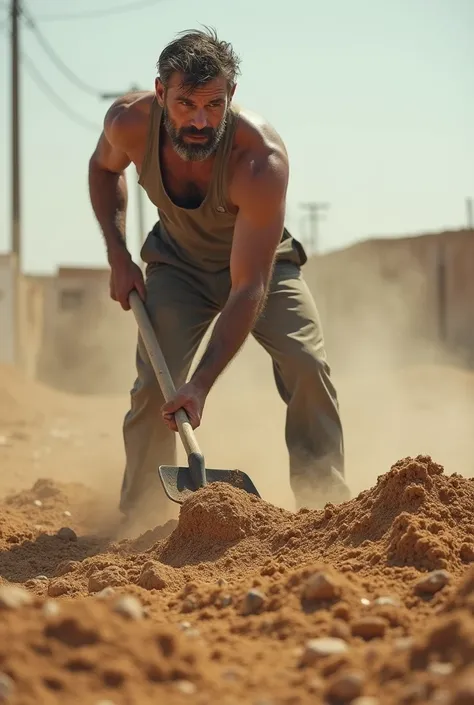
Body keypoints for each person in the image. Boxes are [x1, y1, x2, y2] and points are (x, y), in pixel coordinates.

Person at [88, 27, 350, 523]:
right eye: (186, 104)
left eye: (214, 105)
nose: (201, 121)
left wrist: (202, 385)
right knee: (153, 387)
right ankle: (139, 516)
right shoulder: (127, 123)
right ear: (161, 92)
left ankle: (326, 508)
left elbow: (249, 285)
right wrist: (119, 256)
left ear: (231, 95)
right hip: (177, 267)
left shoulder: (260, 161)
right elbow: (103, 171)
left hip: (261, 268)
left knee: (306, 362)